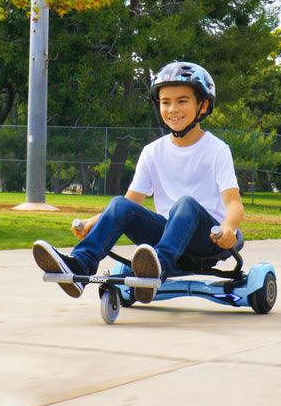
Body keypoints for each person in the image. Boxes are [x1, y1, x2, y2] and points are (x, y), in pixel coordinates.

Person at [33, 61, 244, 304]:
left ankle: (157, 270)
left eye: (182, 101)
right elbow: (130, 204)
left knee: (185, 204)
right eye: (165, 102)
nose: (173, 109)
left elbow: (234, 204)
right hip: (168, 236)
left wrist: (228, 228)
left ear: (203, 105)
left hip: (208, 240)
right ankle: (80, 266)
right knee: (119, 203)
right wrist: (94, 222)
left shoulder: (217, 150)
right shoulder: (152, 152)